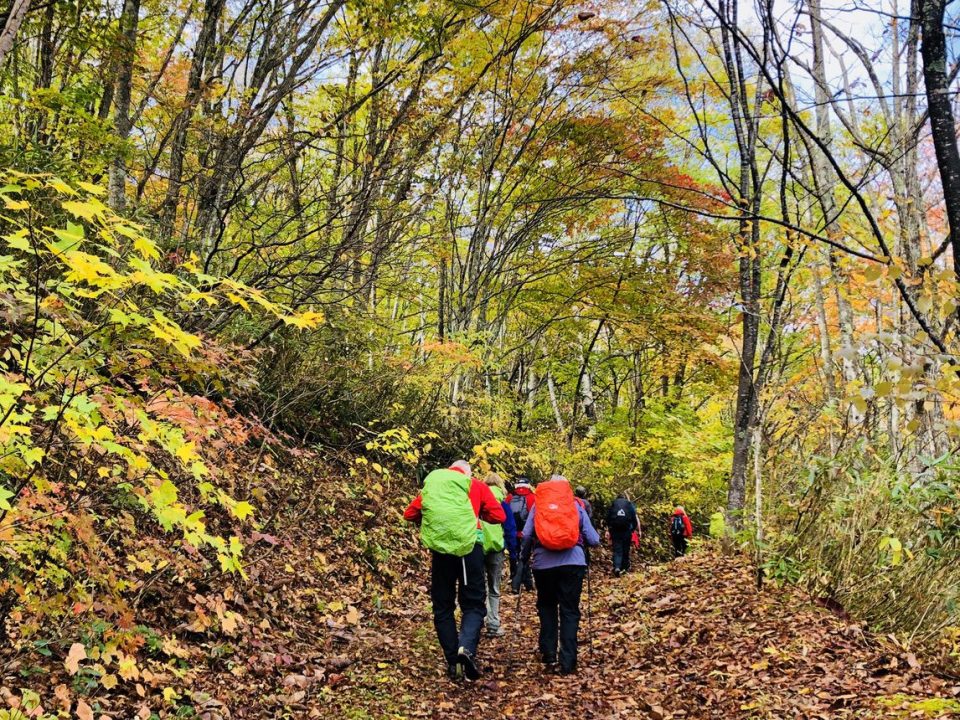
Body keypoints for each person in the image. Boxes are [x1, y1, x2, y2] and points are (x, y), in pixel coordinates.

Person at [404, 460, 505, 681]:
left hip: (442, 552)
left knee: (443, 606)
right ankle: (465, 648)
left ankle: (452, 661)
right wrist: (477, 514)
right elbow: (499, 516)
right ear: (467, 473)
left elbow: (410, 514)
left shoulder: (433, 488)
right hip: (471, 550)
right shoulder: (475, 485)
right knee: (474, 604)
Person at [520, 475, 600, 675]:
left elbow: (528, 533)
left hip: (543, 564)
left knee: (547, 606)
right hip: (573, 563)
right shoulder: (575, 506)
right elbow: (593, 539)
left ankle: (549, 653)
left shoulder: (538, 506)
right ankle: (568, 661)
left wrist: (523, 556)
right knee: (569, 610)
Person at [481, 472, 516, 637]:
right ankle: (493, 625)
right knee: (494, 588)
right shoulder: (502, 503)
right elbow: (509, 529)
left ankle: (476, 621)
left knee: (480, 587)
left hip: (478, 547)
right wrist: (514, 553)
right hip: (496, 548)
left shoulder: (477, 499)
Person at [507, 477, 536, 591]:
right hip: (526, 534)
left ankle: (527, 583)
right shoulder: (532, 497)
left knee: (516, 557)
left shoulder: (509, 498)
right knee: (524, 558)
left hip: (512, 533)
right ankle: (516, 584)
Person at [606, 491, 638, 576]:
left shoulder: (614, 503)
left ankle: (617, 567)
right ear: (624, 497)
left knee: (617, 549)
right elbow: (634, 518)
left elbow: (608, 517)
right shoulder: (629, 504)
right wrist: (633, 529)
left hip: (615, 530)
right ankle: (624, 568)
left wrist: (609, 528)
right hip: (626, 530)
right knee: (625, 549)